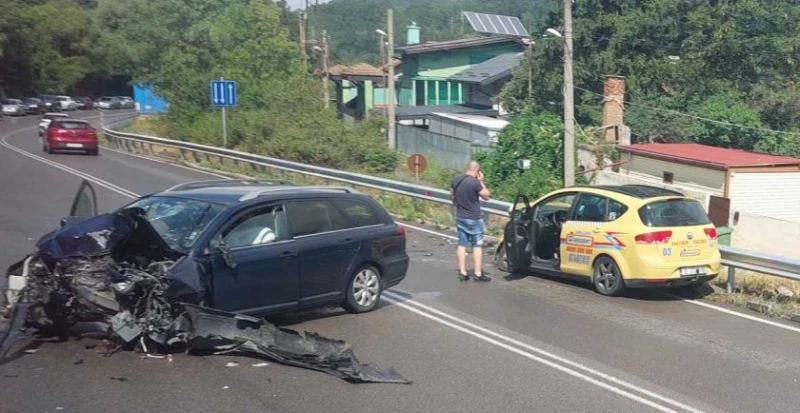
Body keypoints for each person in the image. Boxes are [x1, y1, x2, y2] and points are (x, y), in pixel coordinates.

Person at [451, 160, 491, 282]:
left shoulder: (456, 179)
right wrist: (481, 181)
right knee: (477, 246)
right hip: (473, 218)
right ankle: (478, 274)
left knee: (462, 244)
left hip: (460, 217)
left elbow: (452, 197)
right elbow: (487, 196)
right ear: (477, 171)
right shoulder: (475, 183)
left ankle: (463, 272)